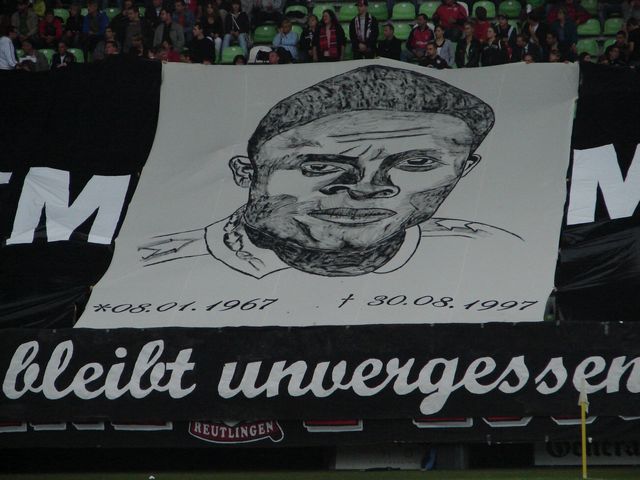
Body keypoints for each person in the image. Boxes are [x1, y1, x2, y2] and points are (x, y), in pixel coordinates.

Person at [139, 65, 503, 279]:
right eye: (319, 166)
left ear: (463, 170)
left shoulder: (491, 252)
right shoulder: (158, 266)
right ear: (246, 173)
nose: (366, 188)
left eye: (416, 163)